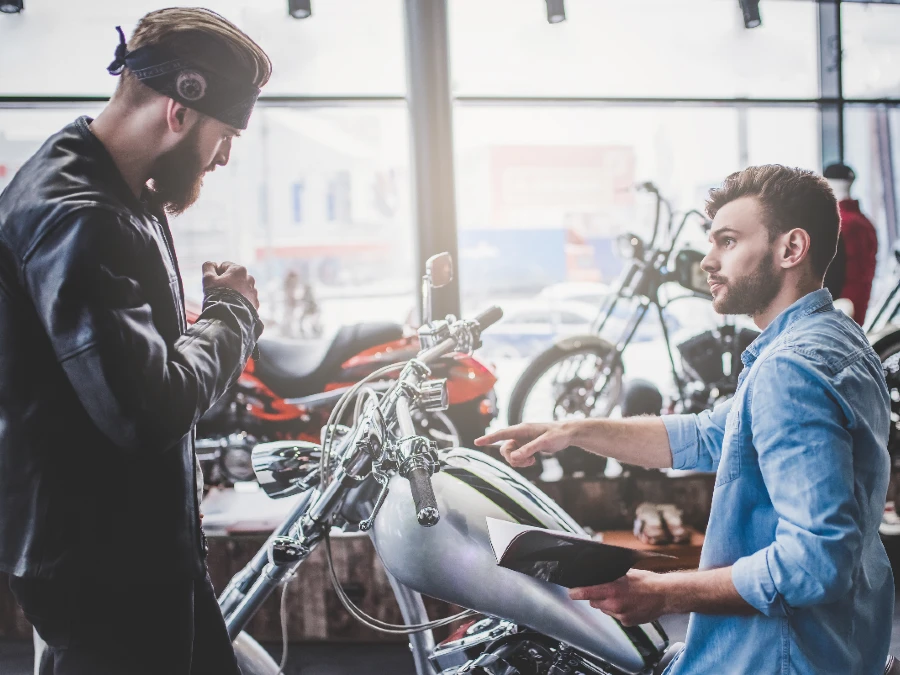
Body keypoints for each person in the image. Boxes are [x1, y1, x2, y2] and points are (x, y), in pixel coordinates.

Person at [477, 165, 894, 674]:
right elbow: (708, 434)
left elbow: (813, 564)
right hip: (843, 642)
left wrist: (662, 593)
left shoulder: (790, 368)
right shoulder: (835, 338)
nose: (708, 261)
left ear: (791, 249)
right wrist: (575, 431)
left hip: (777, 657)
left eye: (728, 241)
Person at [0, 9, 271, 674]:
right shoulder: (78, 216)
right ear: (179, 112)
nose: (225, 156)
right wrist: (232, 315)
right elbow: (146, 409)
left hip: (140, 548)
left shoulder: (115, 185)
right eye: (226, 134)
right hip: (104, 572)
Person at [823, 162, 878, 326]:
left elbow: (829, 274)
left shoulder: (837, 223)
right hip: (858, 308)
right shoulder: (865, 223)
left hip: (838, 311)